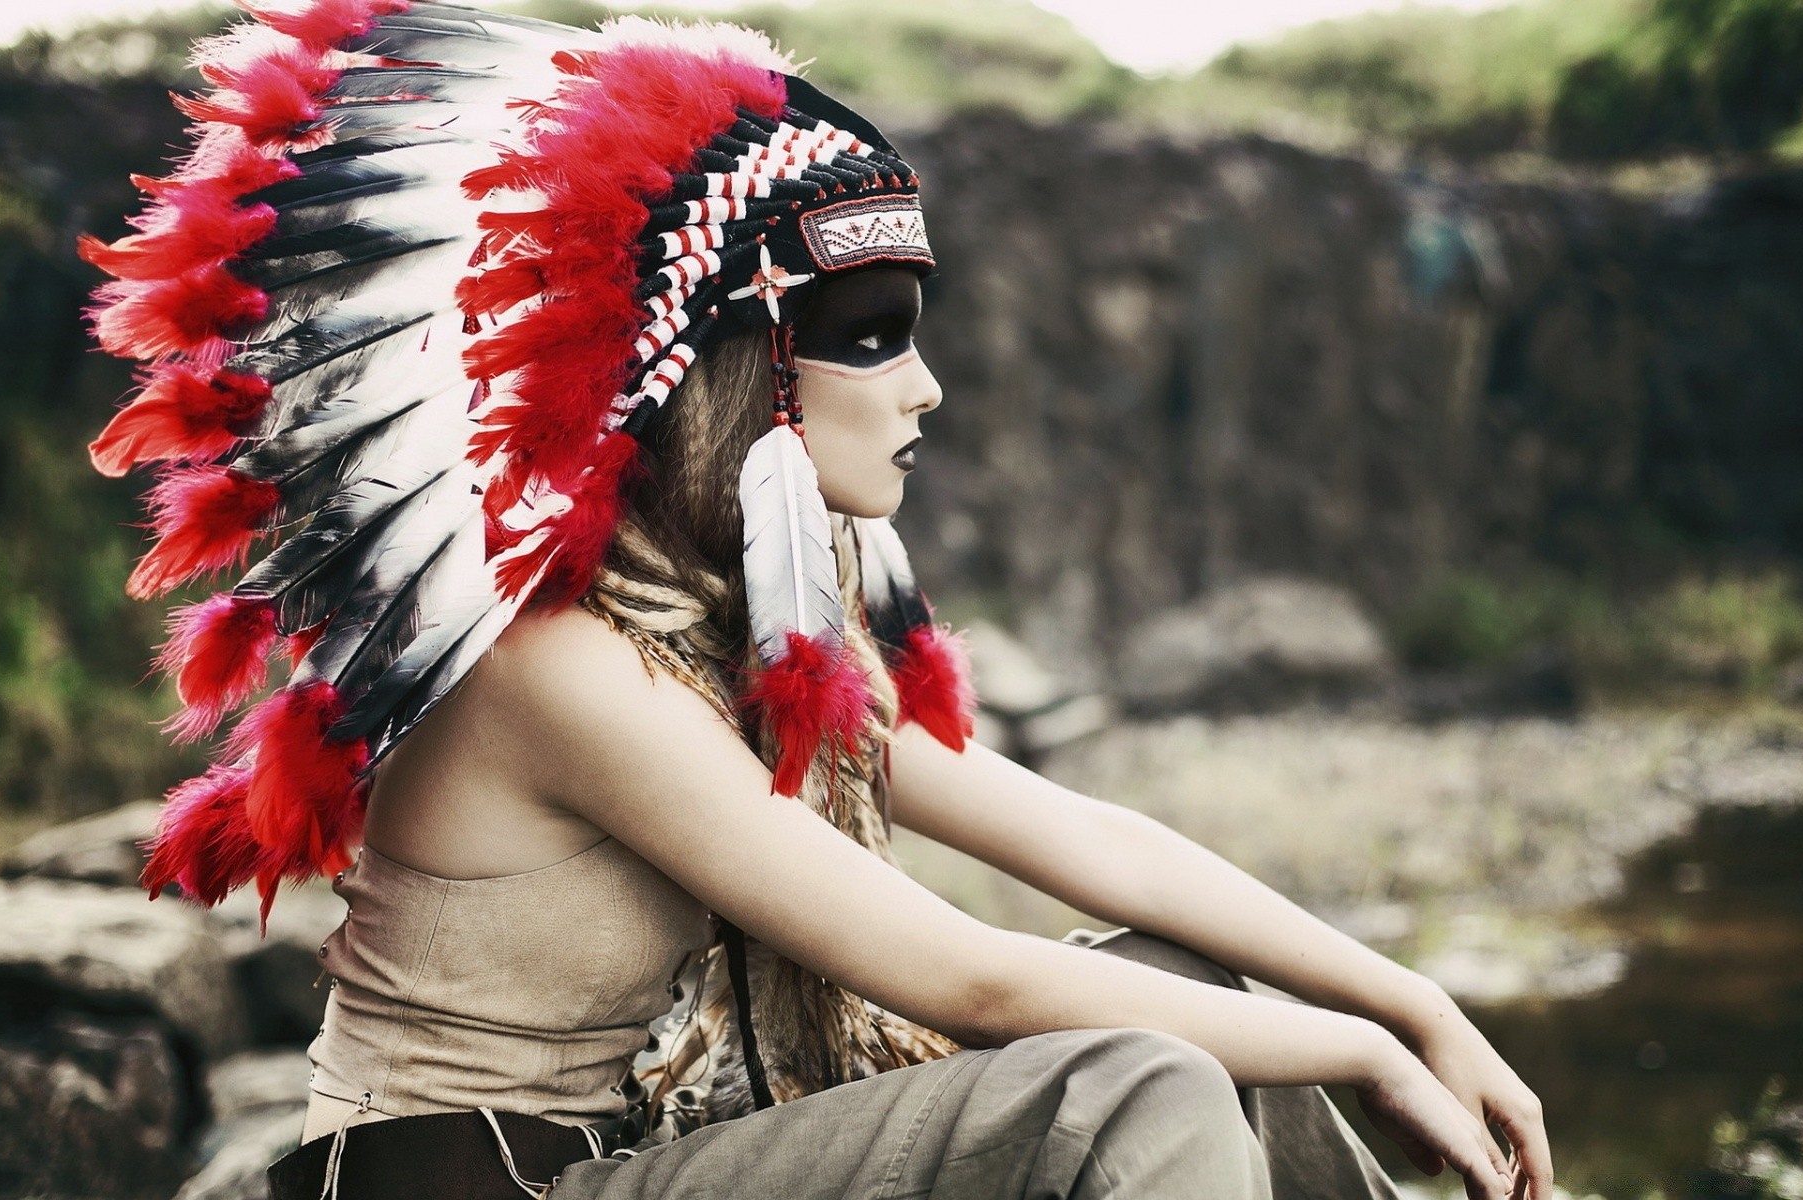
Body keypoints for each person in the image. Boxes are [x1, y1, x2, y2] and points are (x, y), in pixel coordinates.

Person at [81, 3, 1552, 1198]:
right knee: (1132, 1078)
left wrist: (1407, 1005)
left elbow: (1089, 837)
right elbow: (963, 976)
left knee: (1184, 989)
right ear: (735, 368)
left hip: (657, 1153)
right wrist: (1357, 1054)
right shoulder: (558, 668)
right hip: (496, 1188)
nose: (926, 386)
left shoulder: (739, 638)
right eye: (871, 333)